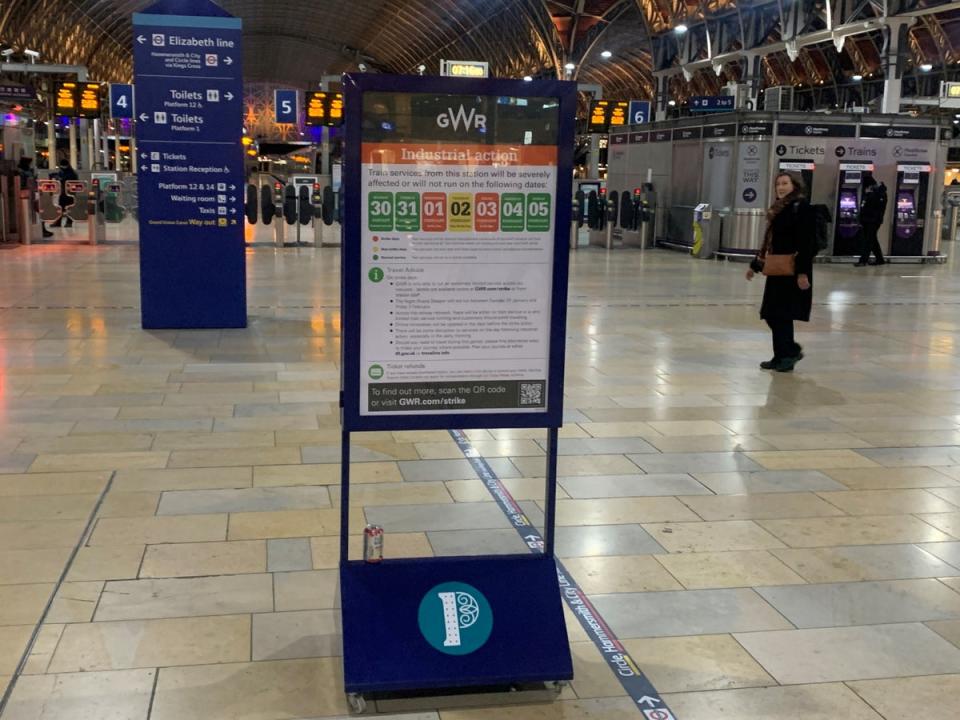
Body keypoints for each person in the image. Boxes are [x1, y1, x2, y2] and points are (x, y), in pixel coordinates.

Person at [746, 171, 817, 373]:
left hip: (793, 268)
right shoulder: (780, 208)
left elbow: (806, 242)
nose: (781, 187)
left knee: (782, 314)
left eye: (785, 183)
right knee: (771, 313)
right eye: (778, 183)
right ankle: (783, 353)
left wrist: (802, 272)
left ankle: (787, 354)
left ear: (795, 185)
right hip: (777, 267)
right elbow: (770, 242)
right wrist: (755, 265)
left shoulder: (801, 208)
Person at [17, 156, 53, 238]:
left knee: (40, 211)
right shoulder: (22, 172)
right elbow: (24, 183)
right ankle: (40, 230)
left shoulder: (26, 171)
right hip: (27, 195)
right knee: (37, 211)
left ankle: (42, 229)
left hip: (32, 193)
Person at [855, 175, 887, 266]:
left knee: (868, 240)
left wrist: (868, 195)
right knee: (872, 240)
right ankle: (880, 259)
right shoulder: (879, 193)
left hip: (871, 221)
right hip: (872, 220)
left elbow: (871, 207)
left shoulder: (877, 194)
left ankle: (863, 261)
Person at [50, 159, 78, 228]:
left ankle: (68, 222)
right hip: (63, 193)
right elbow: (59, 178)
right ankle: (59, 222)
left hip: (69, 193)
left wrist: (60, 179)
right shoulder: (63, 172)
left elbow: (67, 180)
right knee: (61, 208)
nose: (62, 167)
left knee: (69, 208)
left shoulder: (71, 173)